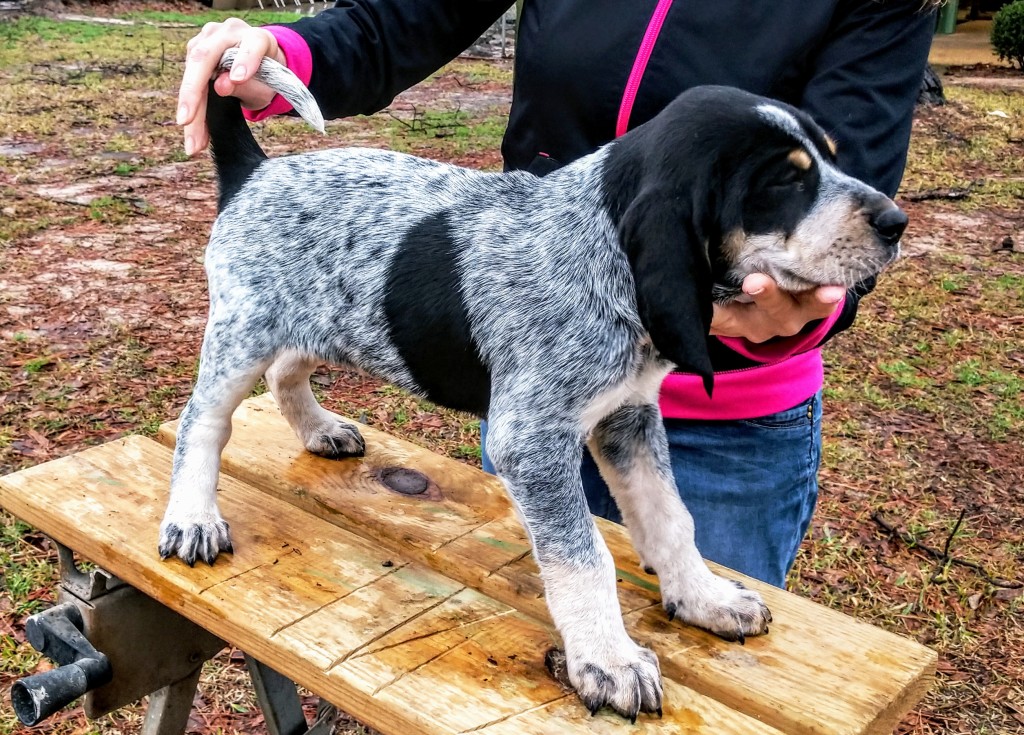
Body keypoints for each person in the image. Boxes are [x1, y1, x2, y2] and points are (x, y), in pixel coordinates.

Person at [175, 0, 937, 588]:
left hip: (731, 423)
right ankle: (225, 446)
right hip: (535, 338)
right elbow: (405, 16)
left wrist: (794, 311)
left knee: (700, 685)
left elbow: (849, 209)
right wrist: (290, 52)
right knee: (505, 662)